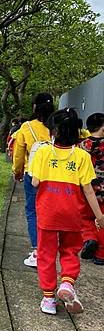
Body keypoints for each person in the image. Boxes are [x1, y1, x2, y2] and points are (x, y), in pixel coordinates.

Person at [29, 108, 104, 315]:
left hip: (47, 214)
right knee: (70, 251)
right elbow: (88, 190)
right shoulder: (81, 156)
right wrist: (99, 216)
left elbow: (35, 182)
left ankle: (48, 299)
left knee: (46, 255)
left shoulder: (43, 152)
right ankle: (67, 283)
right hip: (72, 214)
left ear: (54, 131)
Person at [12, 93, 55, 268]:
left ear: (35, 108)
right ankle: (52, 249)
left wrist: (17, 172)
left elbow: (19, 154)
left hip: (33, 175)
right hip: (57, 176)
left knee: (32, 211)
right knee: (52, 211)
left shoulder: (26, 127)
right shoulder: (58, 125)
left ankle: (38, 251)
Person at [78, 112, 104, 265]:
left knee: (84, 218)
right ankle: (101, 255)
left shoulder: (82, 145)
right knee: (101, 219)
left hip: (87, 190)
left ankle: (89, 238)